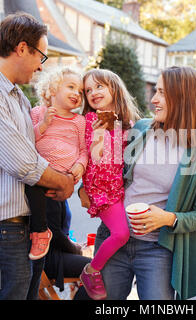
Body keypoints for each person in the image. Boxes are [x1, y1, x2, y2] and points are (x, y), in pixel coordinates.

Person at [0, 13, 74, 300]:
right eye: (40, 56)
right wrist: (63, 183)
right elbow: (22, 163)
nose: (39, 66)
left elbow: (30, 149)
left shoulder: (15, 95)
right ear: (22, 48)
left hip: (19, 231)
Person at [95, 66, 196, 300]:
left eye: (161, 92)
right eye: (155, 91)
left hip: (157, 250)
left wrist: (168, 218)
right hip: (114, 238)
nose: (153, 100)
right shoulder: (142, 129)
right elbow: (109, 171)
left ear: (183, 98)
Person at [79, 69, 140, 300]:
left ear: (114, 88)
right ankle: (91, 270)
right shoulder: (89, 120)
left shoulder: (128, 124)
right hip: (100, 189)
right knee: (121, 234)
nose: (93, 93)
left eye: (99, 86)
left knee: (122, 234)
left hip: (119, 188)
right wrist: (99, 136)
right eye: (88, 90)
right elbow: (94, 157)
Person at [26, 66, 88, 260]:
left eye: (80, 91)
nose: (76, 94)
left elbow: (84, 150)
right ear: (52, 89)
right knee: (47, 218)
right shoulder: (38, 113)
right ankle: (55, 241)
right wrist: (43, 124)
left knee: (62, 218)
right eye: (71, 87)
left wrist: (80, 165)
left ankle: (65, 247)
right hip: (41, 177)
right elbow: (27, 141)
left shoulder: (79, 121)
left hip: (65, 177)